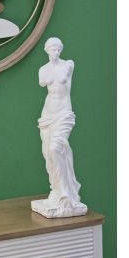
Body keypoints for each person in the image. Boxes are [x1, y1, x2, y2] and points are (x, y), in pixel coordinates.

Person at [31, 37, 87, 218]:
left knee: (55, 148)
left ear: (61, 50)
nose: (55, 52)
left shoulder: (68, 64)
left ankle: (65, 191)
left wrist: (55, 65)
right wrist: (51, 66)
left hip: (64, 113)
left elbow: (62, 76)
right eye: (52, 49)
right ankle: (56, 189)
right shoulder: (43, 69)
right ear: (47, 50)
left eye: (57, 49)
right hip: (47, 115)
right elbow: (43, 81)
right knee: (47, 153)